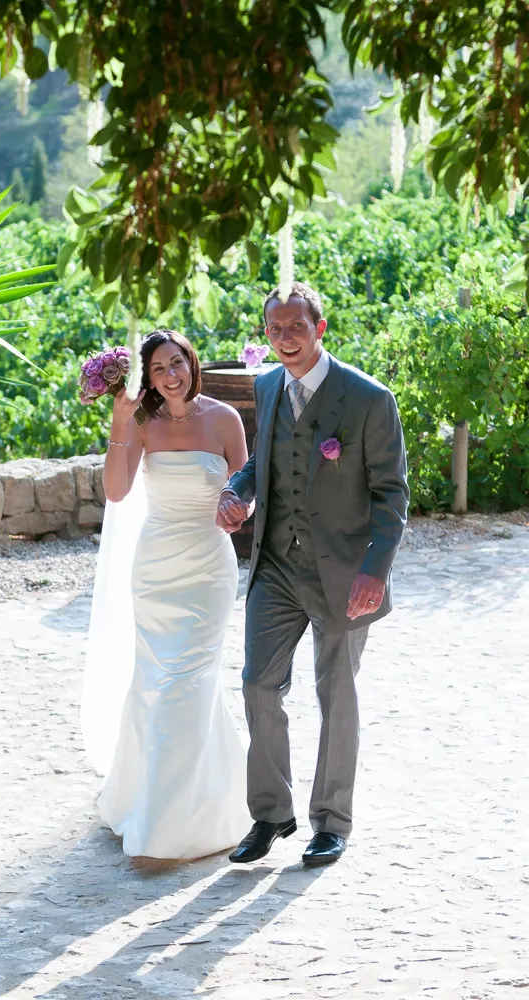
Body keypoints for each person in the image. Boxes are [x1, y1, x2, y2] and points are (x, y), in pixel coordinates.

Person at [217, 282, 409, 867]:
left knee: (337, 692)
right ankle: (271, 814)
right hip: (275, 566)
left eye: (296, 327)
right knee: (257, 684)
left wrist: (375, 570)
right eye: (275, 329)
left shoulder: (368, 399)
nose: (285, 339)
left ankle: (331, 821)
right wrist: (237, 490)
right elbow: (261, 459)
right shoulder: (268, 386)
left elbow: (392, 494)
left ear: (320, 328)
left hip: (345, 573)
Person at [82, 329, 251, 859]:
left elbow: (247, 485)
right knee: (157, 681)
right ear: (146, 378)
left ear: (190, 362)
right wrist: (118, 421)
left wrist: (238, 509)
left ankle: (173, 821)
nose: (170, 374)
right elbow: (116, 491)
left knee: (187, 679)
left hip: (208, 567)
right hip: (156, 568)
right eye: (158, 369)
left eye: (176, 362)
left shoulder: (224, 418)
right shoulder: (142, 421)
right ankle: (159, 800)